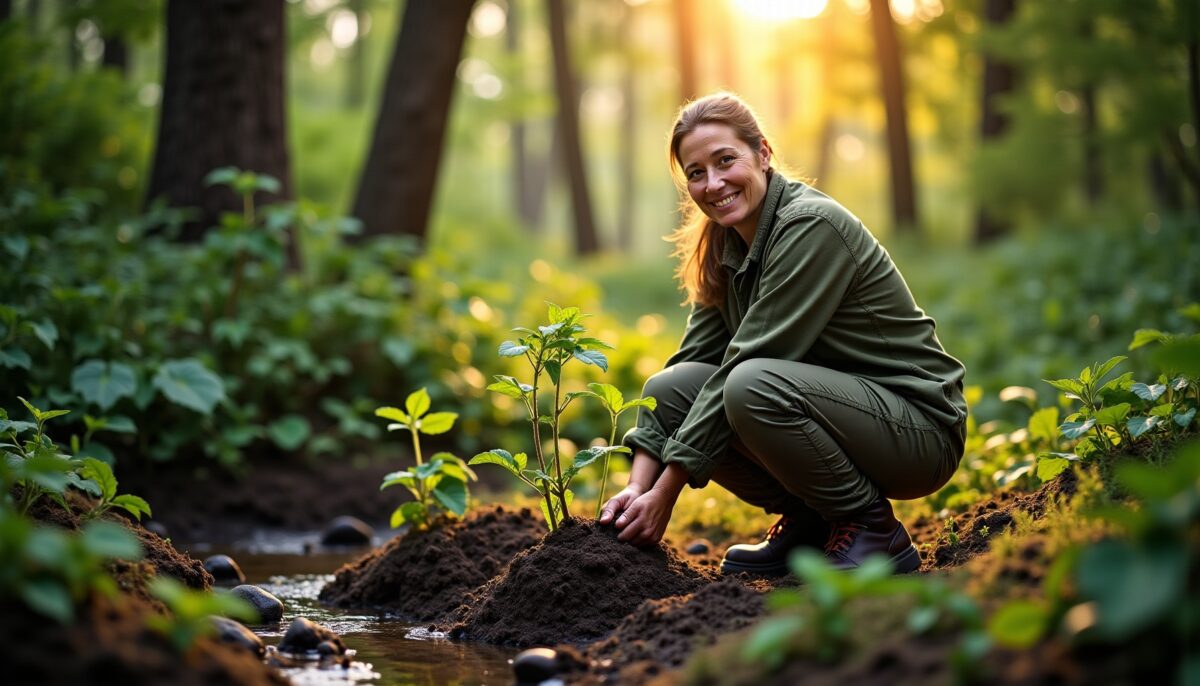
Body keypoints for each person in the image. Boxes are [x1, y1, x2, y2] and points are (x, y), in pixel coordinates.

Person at [596, 93, 967, 575]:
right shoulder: (723, 241)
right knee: (671, 389)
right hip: (841, 416)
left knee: (749, 385)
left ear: (763, 153)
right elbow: (689, 369)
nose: (713, 183)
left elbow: (746, 364)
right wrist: (637, 487)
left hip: (917, 430)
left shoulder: (811, 226)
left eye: (725, 160)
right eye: (696, 172)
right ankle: (812, 521)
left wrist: (665, 494)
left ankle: (871, 527)